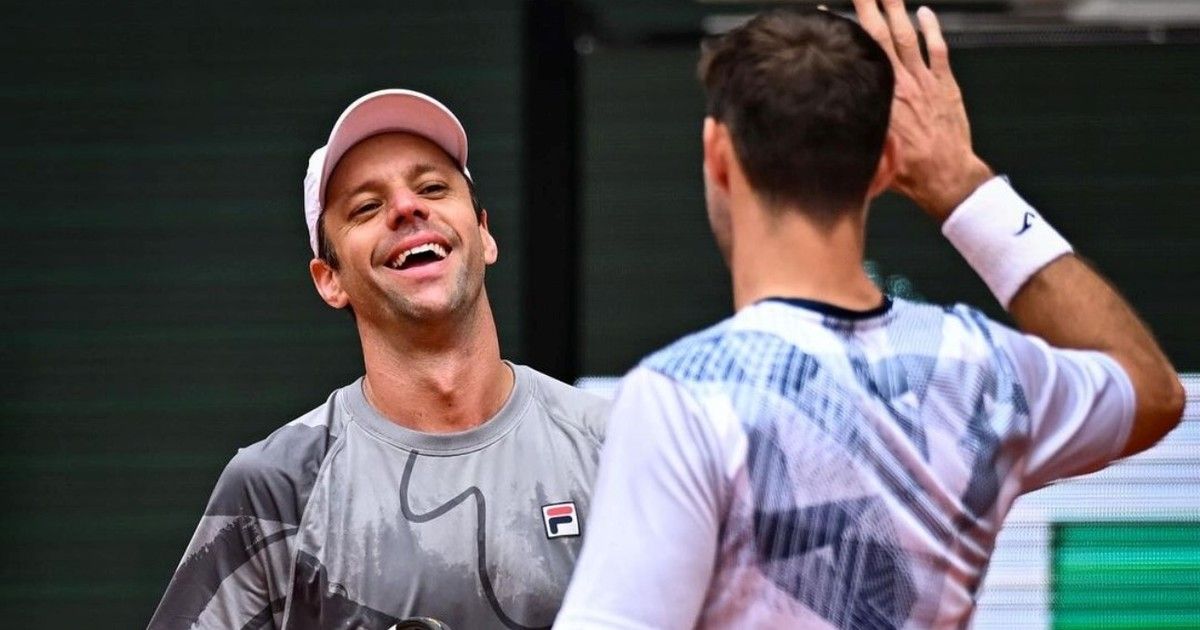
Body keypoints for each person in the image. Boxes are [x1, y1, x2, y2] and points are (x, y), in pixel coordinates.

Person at [554, 1, 1185, 628]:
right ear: (886, 166)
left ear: (718, 154)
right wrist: (964, 185)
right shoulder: (980, 369)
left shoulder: (677, 400)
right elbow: (1152, 390)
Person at [149, 89, 608, 629]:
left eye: (433, 187)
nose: (408, 208)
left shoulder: (616, 447)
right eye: (367, 206)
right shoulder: (279, 485)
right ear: (331, 279)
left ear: (483, 233)